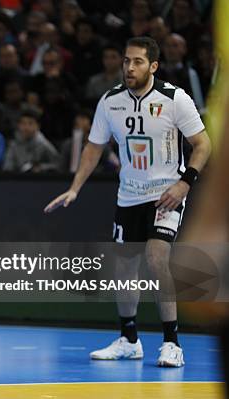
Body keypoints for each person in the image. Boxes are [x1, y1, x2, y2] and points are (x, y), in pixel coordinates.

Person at [44, 37, 211, 367]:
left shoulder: (175, 98)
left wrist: (185, 183)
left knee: (157, 256)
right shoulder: (110, 101)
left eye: (137, 62)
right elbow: (94, 147)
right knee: (124, 267)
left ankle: (171, 343)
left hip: (166, 193)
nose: (129, 67)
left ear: (153, 66)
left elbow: (202, 144)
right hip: (129, 195)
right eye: (126, 61)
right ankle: (129, 339)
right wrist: (75, 188)